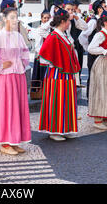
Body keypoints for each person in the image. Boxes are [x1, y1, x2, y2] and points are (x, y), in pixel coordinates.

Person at [0, 7, 31, 155]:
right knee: (7, 108)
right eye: (12, 17)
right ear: (5, 19)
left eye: (16, 17)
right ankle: (5, 142)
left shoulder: (18, 36)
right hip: (5, 77)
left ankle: (14, 141)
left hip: (18, 76)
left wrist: (22, 63)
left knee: (18, 107)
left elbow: (25, 52)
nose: (15, 20)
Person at [38, 8, 81, 141]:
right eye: (68, 20)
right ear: (63, 21)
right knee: (57, 101)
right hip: (56, 75)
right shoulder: (53, 36)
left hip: (66, 74)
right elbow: (43, 54)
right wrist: (54, 63)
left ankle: (65, 128)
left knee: (67, 102)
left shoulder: (64, 35)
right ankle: (54, 130)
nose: (69, 23)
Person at [78, 0, 105, 98]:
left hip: (101, 54)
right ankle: (91, 98)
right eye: (105, 6)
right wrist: (88, 48)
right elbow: (82, 36)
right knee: (93, 76)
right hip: (93, 54)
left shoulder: (103, 20)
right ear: (99, 9)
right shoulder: (94, 22)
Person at [64, 0, 88, 87]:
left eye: (72, 10)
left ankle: (74, 87)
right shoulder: (59, 20)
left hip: (73, 48)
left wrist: (76, 17)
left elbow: (85, 27)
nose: (70, 11)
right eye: (68, 9)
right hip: (63, 49)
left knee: (75, 72)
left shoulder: (73, 20)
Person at [31, 9, 51, 96]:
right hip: (41, 55)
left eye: (48, 18)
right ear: (41, 19)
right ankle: (39, 92)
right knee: (39, 74)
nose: (46, 20)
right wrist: (41, 54)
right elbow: (37, 44)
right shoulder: (40, 29)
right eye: (45, 18)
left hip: (49, 55)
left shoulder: (50, 30)